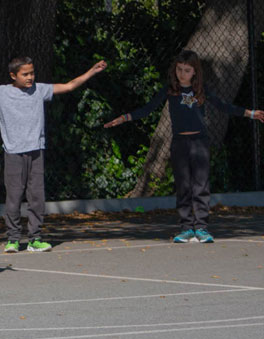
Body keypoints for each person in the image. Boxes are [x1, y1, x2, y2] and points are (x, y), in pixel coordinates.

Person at [104, 49, 264, 243]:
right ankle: (186, 228)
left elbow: (224, 106)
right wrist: (124, 118)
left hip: (199, 142)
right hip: (179, 142)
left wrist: (250, 113)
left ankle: (202, 228)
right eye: (179, 69)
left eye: (187, 70)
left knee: (200, 185)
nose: (182, 74)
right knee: (183, 185)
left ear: (194, 72)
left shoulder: (201, 90)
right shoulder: (171, 90)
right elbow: (148, 108)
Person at [0, 58, 107, 253]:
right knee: (14, 197)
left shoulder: (39, 90)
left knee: (36, 197)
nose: (30, 78)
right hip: (13, 153)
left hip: (36, 151)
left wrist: (91, 71)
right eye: (25, 74)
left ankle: (35, 238)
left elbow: (69, 86)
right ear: (13, 75)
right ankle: (13, 239)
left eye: (32, 73)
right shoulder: (2, 93)